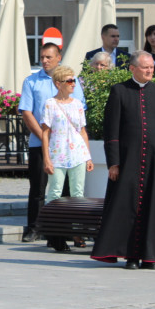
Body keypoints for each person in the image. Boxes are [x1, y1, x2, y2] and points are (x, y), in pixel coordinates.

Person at [90, 51, 155, 269]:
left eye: (151, 68)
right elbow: (112, 130)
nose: (150, 71)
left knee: (154, 208)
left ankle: (151, 256)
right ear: (132, 69)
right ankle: (131, 256)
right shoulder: (119, 91)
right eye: (145, 67)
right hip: (128, 162)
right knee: (127, 208)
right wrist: (114, 163)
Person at [18, 42, 86, 242]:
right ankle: (34, 227)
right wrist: (45, 138)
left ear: (59, 57)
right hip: (40, 143)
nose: (45, 61)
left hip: (67, 148)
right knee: (38, 188)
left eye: (49, 57)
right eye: (42, 57)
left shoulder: (72, 81)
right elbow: (27, 112)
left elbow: (79, 112)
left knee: (66, 189)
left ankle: (65, 229)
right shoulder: (32, 81)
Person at [40, 65, 93, 208]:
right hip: (58, 153)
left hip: (78, 153)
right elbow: (45, 133)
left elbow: (82, 132)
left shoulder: (77, 104)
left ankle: (77, 227)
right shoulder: (50, 104)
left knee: (78, 193)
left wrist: (88, 156)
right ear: (58, 84)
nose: (73, 84)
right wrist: (46, 158)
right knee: (54, 193)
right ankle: (50, 226)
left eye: (74, 80)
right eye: (69, 81)